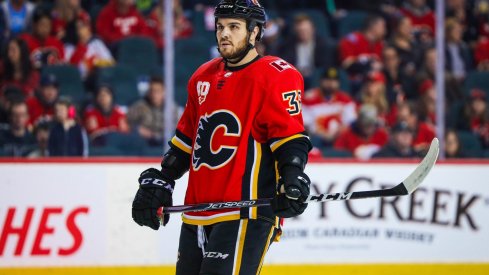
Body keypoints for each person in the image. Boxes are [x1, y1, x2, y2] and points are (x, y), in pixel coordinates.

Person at [131, 1, 312, 274]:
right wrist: (165, 178)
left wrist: (292, 174)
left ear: (254, 33)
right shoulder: (201, 77)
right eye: (220, 27)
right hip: (196, 213)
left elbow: (288, 138)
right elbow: (186, 141)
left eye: (234, 27)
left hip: (245, 213)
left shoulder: (276, 75)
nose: (224, 33)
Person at [302, 67, 356, 148]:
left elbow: (350, 122)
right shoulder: (309, 99)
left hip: (338, 137)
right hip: (316, 138)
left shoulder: (345, 100)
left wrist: (337, 133)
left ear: (338, 83)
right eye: (327, 80)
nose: (330, 83)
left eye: (334, 81)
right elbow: (306, 124)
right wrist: (324, 135)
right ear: (320, 81)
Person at [278, 14, 330, 87]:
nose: (303, 33)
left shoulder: (323, 45)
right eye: (300, 31)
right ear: (295, 31)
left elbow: (324, 66)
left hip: (316, 80)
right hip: (294, 78)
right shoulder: (287, 46)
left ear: (312, 29)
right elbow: (285, 64)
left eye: (306, 30)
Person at [338, 14, 386, 95]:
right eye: (382, 26)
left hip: (376, 80)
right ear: (373, 26)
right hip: (355, 79)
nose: (385, 30)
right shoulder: (352, 39)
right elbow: (346, 63)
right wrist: (364, 59)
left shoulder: (380, 45)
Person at [127, 76, 166, 146]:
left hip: (165, 147)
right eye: (151, 90)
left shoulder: (172, 110)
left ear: (164, 92)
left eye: (157, 91)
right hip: (143, 148)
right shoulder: (138, 107)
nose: (154, 94)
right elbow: (127, 126)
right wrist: (137, 130)